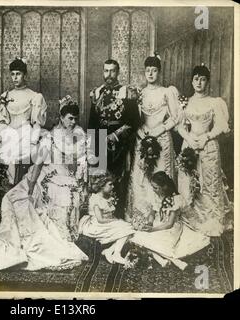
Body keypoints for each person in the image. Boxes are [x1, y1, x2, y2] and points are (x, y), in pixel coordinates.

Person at [0, 96, 88, 271]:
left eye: (75, 118)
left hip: (66, 176)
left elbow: (78, 163)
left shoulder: (79, 135)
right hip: (45, 174)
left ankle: (49, 239)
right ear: (61, 118)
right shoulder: (50, 137)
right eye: (70, 118)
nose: (73, 122)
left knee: (57, 193)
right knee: (14, 198)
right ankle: (17, 243)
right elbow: (39, 163)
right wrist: (32, 185)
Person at [177, 64, 232, 237]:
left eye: (202, 79)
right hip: (190, 145)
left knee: (209, 184)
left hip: (208, 147)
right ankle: (191, 217)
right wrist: (188, 137)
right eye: (196, 79)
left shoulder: (214, 102)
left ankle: (211, 220)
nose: (199, 83)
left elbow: (223, 126)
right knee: (189, 182)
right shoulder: (186, 102)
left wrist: (206, 137)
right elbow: (179, 126)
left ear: (207, 82)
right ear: (192, 81)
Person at [126, 53, 181, 221]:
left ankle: (161, 217)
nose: (150, 74)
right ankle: (141, 215)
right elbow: (135, 119)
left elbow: (175, 117)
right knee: (140, 176)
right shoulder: (139, 93)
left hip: (162, 138)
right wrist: (140, 131)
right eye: (148, 70)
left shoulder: (167, 92)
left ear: (159, 72)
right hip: (142, 138)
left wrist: (160, 130)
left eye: (154, 70)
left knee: (160, 175)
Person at [88, 59, 141, 218]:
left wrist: (116, 135)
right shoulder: (96, 93)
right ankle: (101, 217)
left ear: (118, 72)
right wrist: (93, 147)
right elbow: (92, 123)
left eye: (112, 71)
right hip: (100, 142)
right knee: (101, 180)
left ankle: (117, 215)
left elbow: (134, 122)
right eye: (106, 71)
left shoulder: (127, 92)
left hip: (120, 144)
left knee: (118, 182)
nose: (108, 75)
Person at [130, 171, 210, 270]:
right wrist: (150, 223)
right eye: (152, 187)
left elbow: (169, 224)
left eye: (155, 187)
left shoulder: (176, 199)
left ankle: (171, 259)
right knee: (137, 237)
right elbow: (152, 212)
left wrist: (153, 230)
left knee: (156, 243)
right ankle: (163, 260)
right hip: (158, 224)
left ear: (164, 187)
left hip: (171, 227)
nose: (153, 190)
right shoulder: (156, 196)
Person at [0, 57, 47, 185]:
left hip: (25, 131)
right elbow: (3, 121)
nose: (15, 77)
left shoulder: (34, 96)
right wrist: (2, 134)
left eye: (18, 74)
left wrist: (33, 140)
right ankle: (8, 185)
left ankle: (22, 185)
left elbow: (36, 122)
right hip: (10, 131)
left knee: (27, 149)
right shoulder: (6, 96)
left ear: (24, 75)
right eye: (12, 74)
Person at [78, 174, 135, 264]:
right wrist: (116, 221)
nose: (113, 187)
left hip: (107, 222)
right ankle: (116, 253)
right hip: (97, 225)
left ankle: (111, 251)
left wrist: (117, 221)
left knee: (130, 230)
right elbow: (100, 219)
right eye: (110, 184)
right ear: (101, 186)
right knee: (128, 229)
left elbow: (109, 214)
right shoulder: (96, 199)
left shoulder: (108, 197)